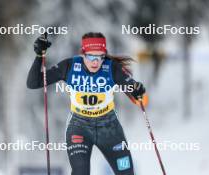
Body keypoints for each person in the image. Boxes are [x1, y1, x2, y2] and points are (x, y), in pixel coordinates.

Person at [27, 32, 146, 175]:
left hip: (109, 127)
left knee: (126, 171)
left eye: (100, 57)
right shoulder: (70, 66)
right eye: (91, 56)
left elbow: (135, 91)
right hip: (79, 126)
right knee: (80, 172)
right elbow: (34, 83)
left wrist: (138, 90)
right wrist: (39, 56)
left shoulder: (111, 68)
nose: (95, 62)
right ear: (83, 54)